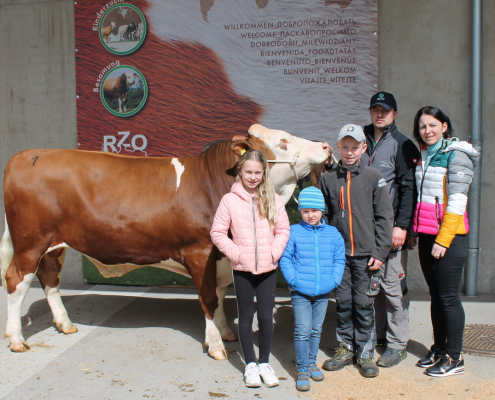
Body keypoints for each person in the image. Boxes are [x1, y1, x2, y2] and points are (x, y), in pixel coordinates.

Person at [408, 106, 479, 377]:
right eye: (423, 126)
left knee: (449, 298)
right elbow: (422, 198)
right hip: (427, 235)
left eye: (433, 125)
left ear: (445, 126)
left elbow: (458, 203)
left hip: (448, 238)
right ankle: (439, 348)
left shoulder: (457, 155)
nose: (427, 130)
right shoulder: (425, 156)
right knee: (435, 295)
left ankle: (455, 356)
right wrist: (416, 230)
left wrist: (444, 239)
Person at [210, 149, 290, 388]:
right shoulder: (229, 200)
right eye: (248, 172)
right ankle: (250, 365)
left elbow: (283, 230)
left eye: (257, 172)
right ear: (240, 172)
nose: (253, 177)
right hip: (243, 269)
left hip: (267, 268)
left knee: (266, 316)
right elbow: (217, 232)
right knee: (245, 317)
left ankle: (264, 362)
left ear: (264, 173)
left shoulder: (273, 198)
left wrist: (273, 252)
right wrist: (237, 254)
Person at [319, 124, 394, 378]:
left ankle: (365, 352)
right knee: (343, 303)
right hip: (340, 257)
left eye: (355, 147)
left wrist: (380, 251)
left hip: (366, 256)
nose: (349, 152)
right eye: (345, 147)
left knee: (363, 305)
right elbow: (325, 218)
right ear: (338, 147)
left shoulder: (374, 177)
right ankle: (345, 347)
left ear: (364, 148)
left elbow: (385, 217)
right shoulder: (327, 179)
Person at [362, 92, 420, 367]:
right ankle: (377, 338)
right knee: (369, 287)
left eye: (385, 110)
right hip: (363, 230)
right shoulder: (359, 140)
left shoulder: (403, 145)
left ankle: (397, 345)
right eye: (376, 109)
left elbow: (409, 189)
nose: (380, 114)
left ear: (395, 114)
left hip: (391, 230)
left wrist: (402, 227)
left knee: (393, 288)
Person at [280, 186, 346, 392]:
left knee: (316, 329)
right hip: (300, 291)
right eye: (306, 211)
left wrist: (334, 280)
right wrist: (293, 279)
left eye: (315, 211)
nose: (310, 215)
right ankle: (302, 369)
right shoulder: (294, 232)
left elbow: (339, 258)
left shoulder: (333, 233)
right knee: (302, 331)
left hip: (323, 291)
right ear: (300, 212)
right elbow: (286, 258)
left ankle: (311, 362)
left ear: (322, 211)